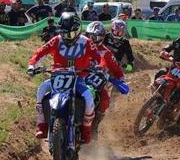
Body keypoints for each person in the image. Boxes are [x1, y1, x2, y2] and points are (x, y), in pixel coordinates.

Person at [27, 13, 101, 143]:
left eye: (70, 34)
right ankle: (42, 125)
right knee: (41, 90)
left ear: (78, 30)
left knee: (89, 99)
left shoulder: (86, 42)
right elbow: (40, 52)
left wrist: (99, 66)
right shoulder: (56, 40)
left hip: (78, 77)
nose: (67, 37)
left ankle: (86, 130)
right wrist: (32, 65)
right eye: (64, 34)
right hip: (57, 76)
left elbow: (98, 57)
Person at [84, 21, 126, 136]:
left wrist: (120, 80)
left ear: (102, 37)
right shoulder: (79, 45)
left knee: (105, 99)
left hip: (95, 82)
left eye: (97, 36)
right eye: (91, 36)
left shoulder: (106, 52)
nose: (93, 39)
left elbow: (117, 69)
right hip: (79, 76)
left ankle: (95, 126)